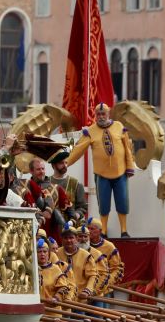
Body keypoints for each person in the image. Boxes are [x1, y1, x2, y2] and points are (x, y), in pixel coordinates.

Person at [64, 103, 136, 238]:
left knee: (123, 202)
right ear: (95, 116)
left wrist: (130, 166)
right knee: (103, 203)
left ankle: (124, 230)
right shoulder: (90, 131)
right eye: (98, 114)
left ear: (108, 114)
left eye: (103, 114)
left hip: (120, 172)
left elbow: (127, 148)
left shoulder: (119, 127)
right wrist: (66, 162)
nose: (101, 116)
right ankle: (103, 230)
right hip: (101, 174)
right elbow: (79, 149)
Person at [21, 157, 71, 240]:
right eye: (38, 169)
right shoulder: (25, 189)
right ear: (31, 171)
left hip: (53, 238)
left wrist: (70, 223)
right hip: (31, 235)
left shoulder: (57, 188)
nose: (41, 171)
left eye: (43, 169)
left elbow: (70, 211)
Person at [53, 224, 97, 302]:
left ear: (76, 239)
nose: (69, 240)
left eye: (71, 238)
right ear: (62, 239)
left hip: (80, 298)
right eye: (66, 238)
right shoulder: (56, 254)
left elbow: (92, 276)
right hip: (61, 299)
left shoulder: (86, 256)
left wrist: (87, 290)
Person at [87, 219, 124, 297]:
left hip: (104, 289)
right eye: (88, 228)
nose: (89, 231)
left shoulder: (110, 247)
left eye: (92, 229)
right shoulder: (82, 245)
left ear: (100, 231)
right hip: (86, 288)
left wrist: (104, 283)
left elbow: (116, 269)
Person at [49, 154, 87, 221]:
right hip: (50, 224)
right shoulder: (46, 183)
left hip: (69, 225)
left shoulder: (76, 184)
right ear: (53, 165)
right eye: (61, 163)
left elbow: (83, 207)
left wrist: (76, 215)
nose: (64, 165)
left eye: (66, 162)